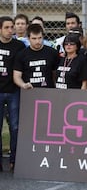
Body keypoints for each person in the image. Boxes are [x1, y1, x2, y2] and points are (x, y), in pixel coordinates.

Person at [0, 16, 25, 172]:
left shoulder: (19, 46)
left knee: (15, 127)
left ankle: (14, 160)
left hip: (14, 90)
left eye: (12, 27)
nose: (11, 30)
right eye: (7, 27)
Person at [13, 23, 59, 89]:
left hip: (49, 92)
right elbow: (17, 76)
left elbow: (55, 74)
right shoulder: (21, 55)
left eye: (39, 38)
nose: (37, 41)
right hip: (29, 91)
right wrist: (23, 85)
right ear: (28, 38)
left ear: (43, 37)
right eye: (34, 38)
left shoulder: (52, 53)